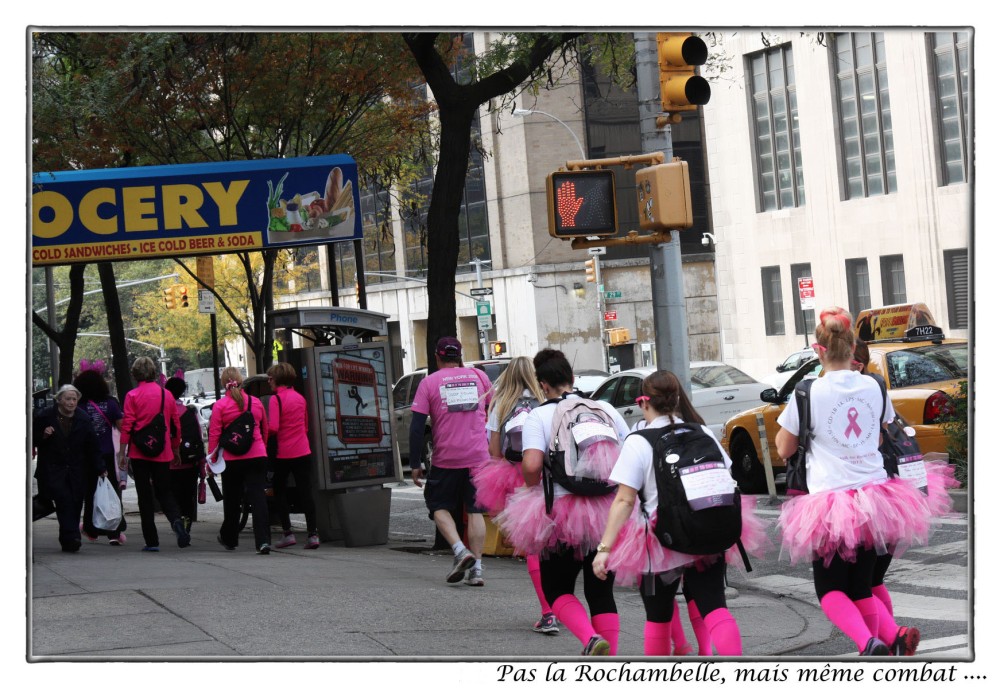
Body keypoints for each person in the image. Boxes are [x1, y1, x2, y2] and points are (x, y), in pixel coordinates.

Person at [775, 307, 932, 656]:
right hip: (876, 497)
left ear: (819, 350)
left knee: (830, 589)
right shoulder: (874, 385)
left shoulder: (807, 392)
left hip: (831, 501)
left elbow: (785, 448)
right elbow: (878, 438)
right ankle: (890, 637)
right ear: (852, 347)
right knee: (862, 586)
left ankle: (869, 643)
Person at [591, 370, 770, 656]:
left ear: (643, 403)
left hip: (660, 540)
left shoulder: (639, 441)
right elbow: (727, 476)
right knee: (715, 607)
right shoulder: (702, 432)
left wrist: (604, 548)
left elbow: (624, 501)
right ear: (677, 399)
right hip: (706, 531)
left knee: (658, 617)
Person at [494, 349, 630, 656]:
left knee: (557, 589)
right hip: (606, 512)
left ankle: (589, 639)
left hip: (561, 512)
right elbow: (628, 455)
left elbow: (530, 466)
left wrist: (534, 487)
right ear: (571, 377)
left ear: (542, 384)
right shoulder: (606, 409)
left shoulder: (538, 416)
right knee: (601, 591)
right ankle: (611, 665)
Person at [852, 338, 958, 656]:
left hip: (871, 500)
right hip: (900, 498)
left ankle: (885, 638)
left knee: (858, 583)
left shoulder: (852, 395)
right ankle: (889, 639)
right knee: (874, 579)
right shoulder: (879, 392)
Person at [471, 356, 556, 632]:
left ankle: (547, 612)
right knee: (555, 545)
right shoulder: (545, 403)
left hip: (516, 479)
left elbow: (494, 452)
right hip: (547, 477)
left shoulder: (501, 404)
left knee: (532, 545)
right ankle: (563, 603)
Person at [409, 337, 493, 586]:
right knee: (475, 510)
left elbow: (416, 427)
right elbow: (491, 408)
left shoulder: (429, 382)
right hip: (478, 455)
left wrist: (415, 462)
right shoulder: (479, 377)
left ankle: (459, 550)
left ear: (437, 356)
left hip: (447, 457)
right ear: (460, 355)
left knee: (437, 504)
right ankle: (476, 570)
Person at [118, 357, 190, 552]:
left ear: (135, 374)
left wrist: (122, 452)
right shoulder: (166, 395)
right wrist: (175, 448)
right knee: (164, 491)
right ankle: (176, 521)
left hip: (140, 451)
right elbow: (175, 424)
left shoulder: (132, 395)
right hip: (163, 450)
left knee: (144, 496)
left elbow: (128, 425)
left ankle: (151, 540)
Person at [33, 385, 105, 552]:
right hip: (53, 469)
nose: (71, 402)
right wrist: (43, 435)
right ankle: (72, 536)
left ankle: (69, 537)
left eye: (74, 399)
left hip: (77, 469)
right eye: (68, 399)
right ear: (59, 400)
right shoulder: (45, 416)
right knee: (64, 501)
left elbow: (92, 445)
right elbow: (33, 440)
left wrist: (100, 467)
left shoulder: (83, 418)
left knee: (75, 502)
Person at [208, 366, 272, 554]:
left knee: (232, 500)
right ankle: (263, 541)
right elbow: (265, 429)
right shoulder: (255, 403)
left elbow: (214, 435)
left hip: (232, 459)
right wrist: (263, 448)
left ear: (223, 384)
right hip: (257, 455)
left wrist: (211, 460)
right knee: (258, 498)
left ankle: (230, 539)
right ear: (241, 381)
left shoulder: (220, 406)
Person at [267, 362, 320, 550]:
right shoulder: (300, 398)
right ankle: (313, 534)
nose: (269, 382)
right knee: (306, 491)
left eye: (271, 378)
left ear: (277, 379)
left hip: (284, 453)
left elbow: (273, 427)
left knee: (279, 490)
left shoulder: (276, 400)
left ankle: (288, 533)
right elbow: (305, 426)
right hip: (303, 451)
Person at [74, 369, 127, 545]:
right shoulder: (111, 403)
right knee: (111, 491)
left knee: (89, 493)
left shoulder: (79, 405)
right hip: (106, 454)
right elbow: (122, 428)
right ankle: (114, 532)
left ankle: (90, 528)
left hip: (85, 455)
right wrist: (123, 451)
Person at [164, 377, 203, 534]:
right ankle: (186, 520)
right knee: (188, 495)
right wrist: (201, 465)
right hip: (189, 462)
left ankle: (176, 519)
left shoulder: (164, 412)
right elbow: (198, 438)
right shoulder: (189, 413)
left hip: (168, 463)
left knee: (171, 494)